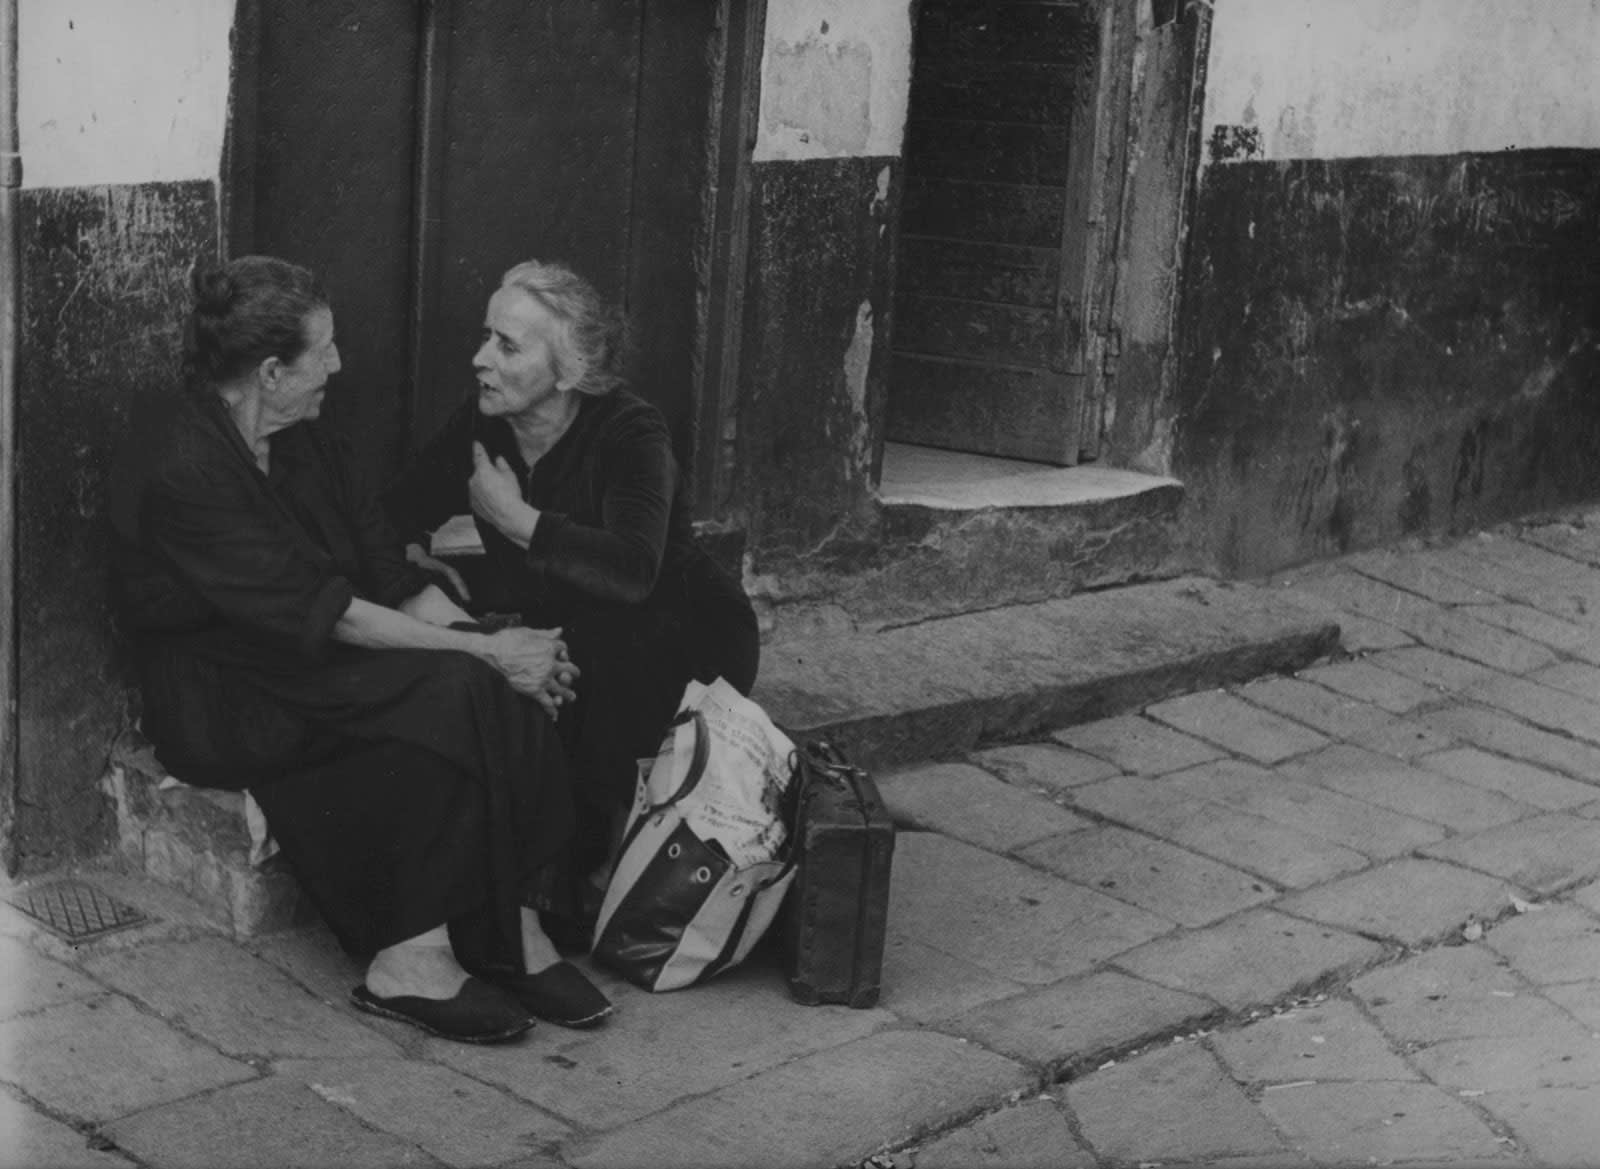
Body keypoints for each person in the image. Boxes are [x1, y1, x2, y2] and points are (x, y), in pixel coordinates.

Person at [110, 255, 613, 1043]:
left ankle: (509, 925)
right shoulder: (184, 465)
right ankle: (411, 959)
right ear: (272, 372)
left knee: (491, 668)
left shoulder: (310, 439)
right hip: (227, 689)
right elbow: (334, 614)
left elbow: (387, 574)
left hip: (315, 662)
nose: (339, 365)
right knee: (458, 687)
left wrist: (501, 644)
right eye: (325, 351)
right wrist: (485, 657)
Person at [384, 259, 760, 942]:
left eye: (507, 345)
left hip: (681, 628)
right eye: (486, 337)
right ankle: (533, 888)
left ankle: (576, 885)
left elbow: (633, 571)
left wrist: (513, 519)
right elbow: (397, 511)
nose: (480, 359)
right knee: (527, 656)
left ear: (567, 372)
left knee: (582, 662)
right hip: (574, 624)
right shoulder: (484, 424)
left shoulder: (630, 431)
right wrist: (416, 558)